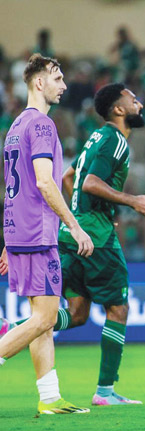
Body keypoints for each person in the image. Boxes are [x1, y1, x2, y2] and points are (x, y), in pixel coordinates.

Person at [2, 83, 145, 406]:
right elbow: (90, 183)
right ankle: (105, 392)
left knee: (77, 313)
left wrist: (82, 216)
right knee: (118, 309)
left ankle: (11, 329)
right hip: (96, 239)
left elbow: (68, 177)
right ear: (118, 109)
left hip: (71, 236)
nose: (139, 103)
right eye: (133, 99)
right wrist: (132, 201)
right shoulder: (116, 140)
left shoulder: (96, 137)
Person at [0, 53, 94, 415]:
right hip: (38, 233)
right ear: (39, 83)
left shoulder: (15, 126)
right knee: (46, 318)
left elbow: (14, 185)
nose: (64, 85)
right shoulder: (41, 125)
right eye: (57, 78)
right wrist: (74, 224)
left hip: (19, 231)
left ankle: (50, 397)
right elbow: (42, 181)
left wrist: (8, 242)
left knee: (40, 319)